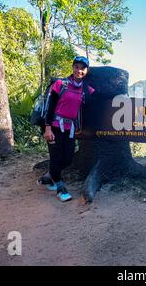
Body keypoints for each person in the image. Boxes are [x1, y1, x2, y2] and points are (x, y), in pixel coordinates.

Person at [37, 56, 95, 202]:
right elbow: (50, 108)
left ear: (87, 70)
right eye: (76, 67)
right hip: (55, 126)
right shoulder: (60, 84)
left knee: (68, 158)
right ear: (72, 67)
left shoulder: (85, 89)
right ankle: (60, 188)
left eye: (83, 68)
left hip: (70, 128)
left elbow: (97, 97)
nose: (79, 70)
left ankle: (49, 176)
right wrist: (47, 128)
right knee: (56, 158)